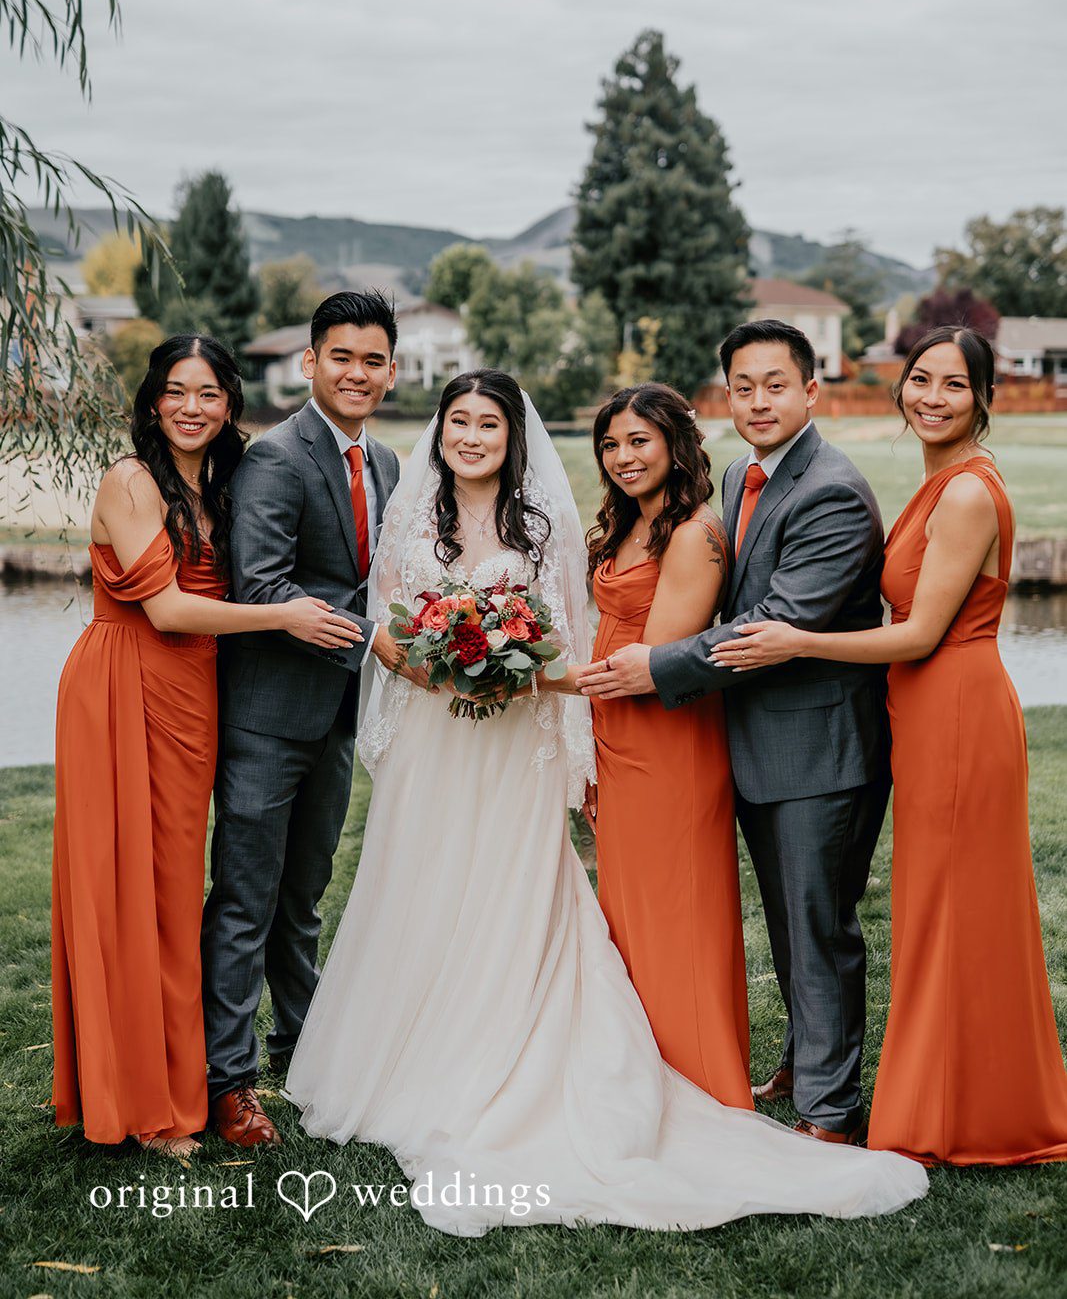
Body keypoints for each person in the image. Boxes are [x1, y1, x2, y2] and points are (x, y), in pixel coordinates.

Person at [283, 369, 928, 1235]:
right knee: (423, 878)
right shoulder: (433, 510)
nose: (472, 436)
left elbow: (586, 637)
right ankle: (418, 1046)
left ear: (517, 439)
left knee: (533, 887)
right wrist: (444, 657)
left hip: (557, 719)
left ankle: (740, 1079)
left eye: (490, 424)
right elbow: (389, 620)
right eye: (459, 421)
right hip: (460, 728)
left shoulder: (557, 523)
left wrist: (509, 667)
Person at [712, 326, 1067, 1166]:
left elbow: (916, 637)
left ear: (983, 398)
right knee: (939, 914)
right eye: (918, 380)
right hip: (923, 712)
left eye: (951, 385)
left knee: (955, 914)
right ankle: (949, 1092)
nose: (930, 397)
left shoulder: (968, 493)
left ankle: (963, 1113)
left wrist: (797, 642)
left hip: (956, 710)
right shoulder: (935, 482)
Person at [578, 320, 892, 1147]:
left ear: (810, 390)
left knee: (817, 924)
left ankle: (828, 1111)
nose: (757, 400)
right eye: (742, 387)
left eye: (775, 384)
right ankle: (800, 1064)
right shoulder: (743, 479)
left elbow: (773, 623)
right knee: (792, 922)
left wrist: (658, 665)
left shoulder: (829, 488)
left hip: (818, 747)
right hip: (752, 740)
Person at [51, 335, 359, 1157]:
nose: (193, 407)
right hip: (125, 686)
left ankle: (181, 1079)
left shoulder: (219, 482)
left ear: (230, 405)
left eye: (210, 394)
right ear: (154, 400)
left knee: (173, 889)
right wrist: (283, 615)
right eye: (177, 391)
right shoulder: (131, 480)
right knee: (131, 890)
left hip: (193, 698)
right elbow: (169, 611)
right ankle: (141, 1103)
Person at [201, 291, 405, 1149]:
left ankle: (306, 1046)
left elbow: (376, 580)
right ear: (310, 363)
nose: (357, 373)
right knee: (246, 898)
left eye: (373, 360)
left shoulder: (388, 463)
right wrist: (385, 642)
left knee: (305, 895)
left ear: (391, 371)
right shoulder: (276, 460)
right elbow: (262, 586)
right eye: (341, 357)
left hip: (336, 714)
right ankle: (228, 1079)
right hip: (266, 715)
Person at [585, 383, 750, 1107]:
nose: (623, 457)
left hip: (668, 741)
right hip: (614, 741)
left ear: (674, 445)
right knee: (629, 912)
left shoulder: (694, 534)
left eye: (638, 441)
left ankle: (700, 1081)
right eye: (611, 444)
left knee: (675, 911)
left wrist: (515, 675)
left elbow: (649, 665)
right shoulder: (626, 524)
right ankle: (639, 1070)